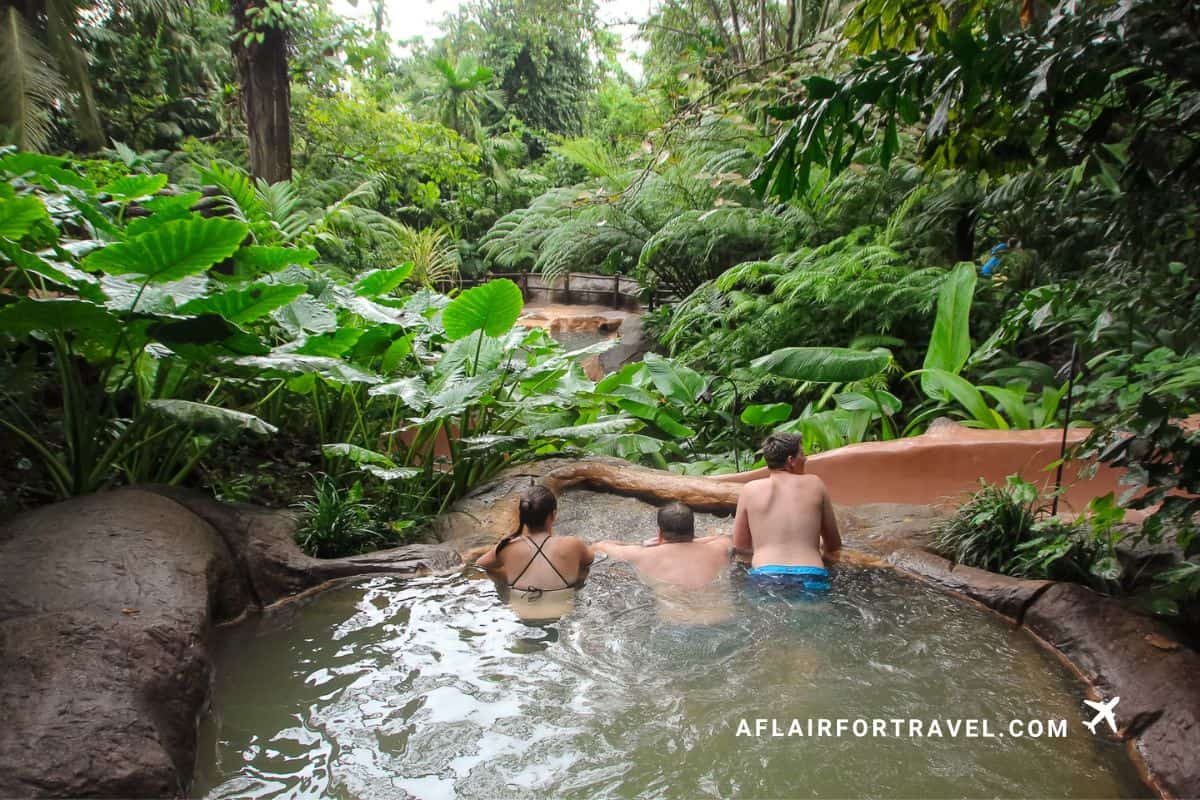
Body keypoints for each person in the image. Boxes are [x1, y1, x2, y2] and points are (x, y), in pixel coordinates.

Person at [728, 432, 841, 590]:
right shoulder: (815, 484)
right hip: (811, 574)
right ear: (791, 460)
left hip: (765, 575)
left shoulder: (750, 489)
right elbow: (834, 544)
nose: (806, 458)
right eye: (802, 454)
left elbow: (741, 547)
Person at [476, 485, 594, 619]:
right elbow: (588, 562)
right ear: (553, 515)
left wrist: (504, 576)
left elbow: (481, 565)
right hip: (561, 614)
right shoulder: (573, 544)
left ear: (523, 517)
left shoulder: (507, 547)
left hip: (521, 614)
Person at [593, 502, 733, 590]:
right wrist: (694, 542)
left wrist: (641, 544)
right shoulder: (718, 548)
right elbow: (724, 538)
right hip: (722, 619)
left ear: (660, 533)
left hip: (673, 625)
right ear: (692, 530)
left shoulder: (641, 554)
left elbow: (600, 546)